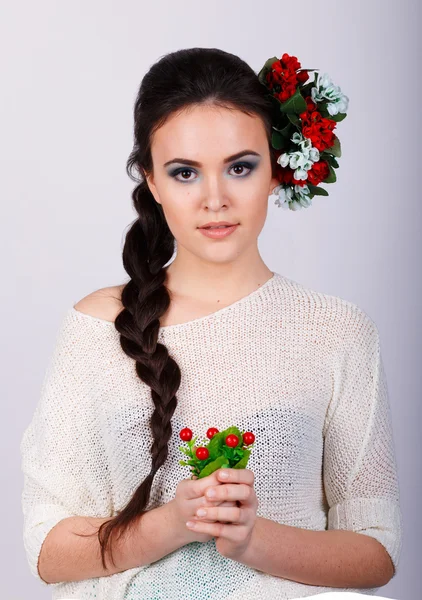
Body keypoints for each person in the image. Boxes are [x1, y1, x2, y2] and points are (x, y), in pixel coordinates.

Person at [20, 47, 403, 599]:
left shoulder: (338, 331)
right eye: (185, 173)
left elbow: (376, 550)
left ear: (277, 170)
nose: (216, 199)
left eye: (240, 167)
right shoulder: (95, 328)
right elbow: (48, 551)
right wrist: (172, 525)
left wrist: (252, 540)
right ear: (151, 182)